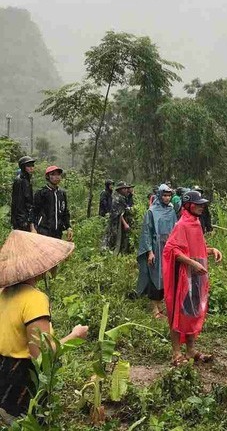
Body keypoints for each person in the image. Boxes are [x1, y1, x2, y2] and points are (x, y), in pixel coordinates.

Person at [0, 231, 88, 420]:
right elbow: (41, 355)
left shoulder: (3, 294)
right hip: (23, 383)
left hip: (3, 375)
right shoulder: (34, 299)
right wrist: (75, 335)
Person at [162, 190, 222, 365]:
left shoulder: (196, 223)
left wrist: (211, 250)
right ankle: (176, 354)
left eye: (203, 204)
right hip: (183, 277)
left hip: (196, 277)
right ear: (189, 205)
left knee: (192, 311)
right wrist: (193, 264)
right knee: (178, 313)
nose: (202, 207)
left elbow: (197, 248)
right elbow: (172, 250)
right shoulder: (181, 225)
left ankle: (190, 350)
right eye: (199, 204)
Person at [136, 184, 177, 318]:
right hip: (156, 247)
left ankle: (160, 306)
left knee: (166, 276)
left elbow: (175, 229)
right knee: (155, 275)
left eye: (169, 195)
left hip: (168, 247)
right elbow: (147, 232)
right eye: (164, 195)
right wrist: (149, 251)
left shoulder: (171, 210)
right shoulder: (152, 211)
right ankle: (154, 308)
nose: (167, 198)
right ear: (159, 195)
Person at [33, 166, 72, 241]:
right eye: (53, 174)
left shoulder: (61, 193)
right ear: (48, 177)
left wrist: (68, 227)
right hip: (43, 231)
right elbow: (34, 211)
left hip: (57, 232)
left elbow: (65, 212)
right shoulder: (41, 193)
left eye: (58, 174)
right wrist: (33, 228)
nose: (56, 177)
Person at [107, 181, 134, 255]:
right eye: (124, 189)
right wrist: (125, 224)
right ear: (119, 190)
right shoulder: (118, 199)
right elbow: (120, 214)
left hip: (118, 222)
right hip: (117, 222)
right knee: (116, 237)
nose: (126, 190)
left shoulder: (122, 197)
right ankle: (114, 253)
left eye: (126, 188)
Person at [10, 156, 36, 232]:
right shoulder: (20, 181)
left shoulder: (26, 179)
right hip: (22, 220)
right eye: (28, 166)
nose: (31, 168)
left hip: (24, 219)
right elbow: (18, 202)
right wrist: (23, 221)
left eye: (32, 165)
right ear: (23, 167)